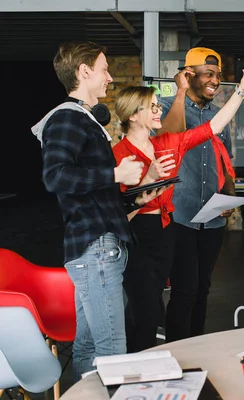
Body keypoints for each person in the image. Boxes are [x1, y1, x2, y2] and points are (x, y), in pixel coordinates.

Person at [31, 41, 159, 379]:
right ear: (84, 71)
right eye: (104, 69)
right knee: (112, 347)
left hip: (97, 248)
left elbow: (94, 194)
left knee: (87, 346)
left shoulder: (84, 121)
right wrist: (116, 173)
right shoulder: (66, 118)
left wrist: (136, 199)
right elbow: (55, 176)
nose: (110, 77)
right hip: (95, 250)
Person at [112, 58, 244, 352]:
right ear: (134, 116)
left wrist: (241, 91)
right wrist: (146, 183)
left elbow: (213, 126)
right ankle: (137, 376)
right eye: (152, 106)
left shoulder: (168, 144)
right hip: (139, 236)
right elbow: (116, 215)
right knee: (146, 311)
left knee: (171, 298)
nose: (157, 110)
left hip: (167, 231)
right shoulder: (118, 154)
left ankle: (173, 360)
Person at [157, 47, 238, 340]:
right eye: (208, 74)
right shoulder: (165, 106)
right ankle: (178, 349)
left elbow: (225, 158)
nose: (216, 80)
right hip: (179, 215)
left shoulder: (218, 115)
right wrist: (180, 92)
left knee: (203, 287)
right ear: (189, 75)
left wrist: (229, 195)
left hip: (212, 218)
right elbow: (168, 137)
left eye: (218, 75)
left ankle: (196, 345)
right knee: (184, 289)